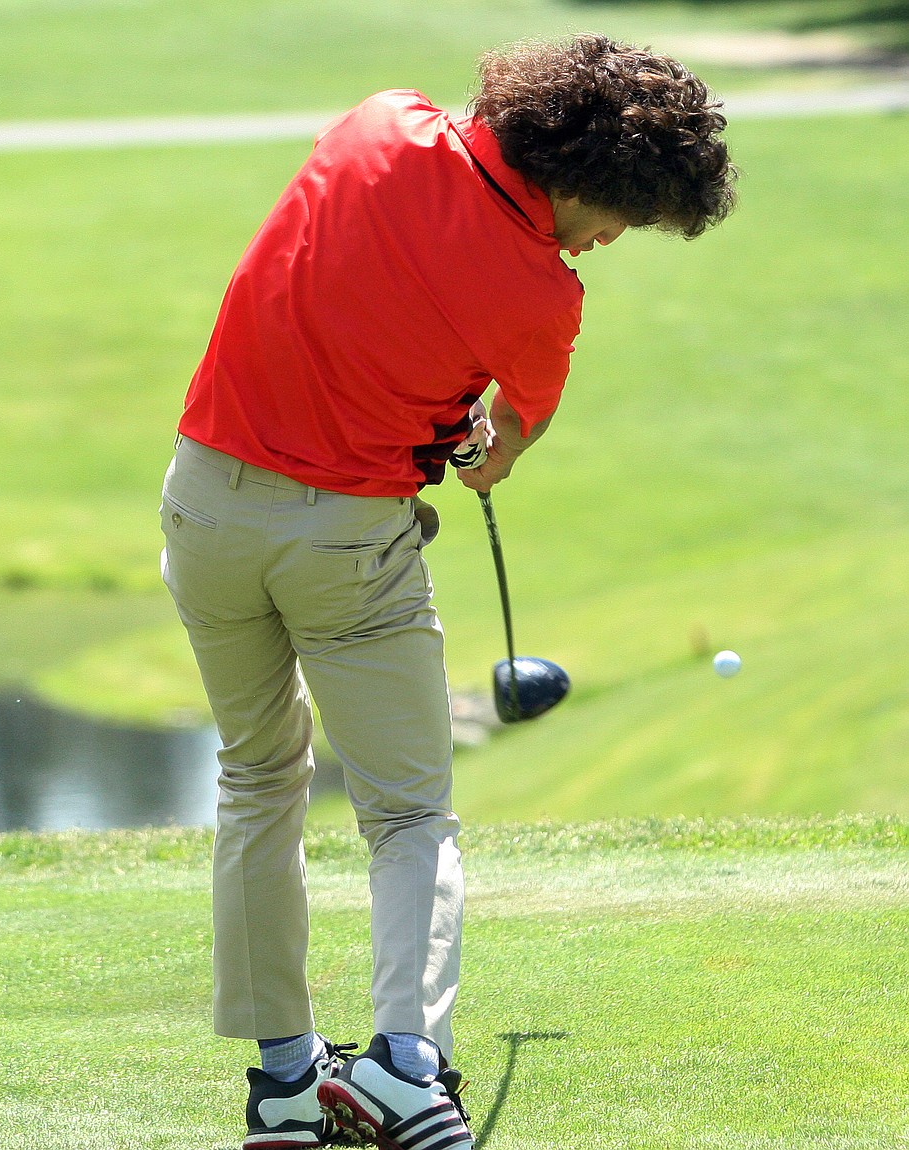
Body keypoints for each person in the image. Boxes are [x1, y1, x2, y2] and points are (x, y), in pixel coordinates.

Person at [160, 32, 736, 1150]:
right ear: (579, 178)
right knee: (410, 809)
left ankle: (284, 1080)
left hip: (202, 505)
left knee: (256, 780)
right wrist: (472, 433)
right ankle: (405, 1067)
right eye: (617, 213)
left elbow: (335, 275)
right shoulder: (543, 298)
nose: (611, 238)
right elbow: (493, 451)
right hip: (346, 543)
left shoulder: (378, 120)